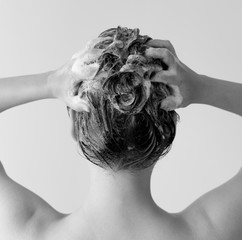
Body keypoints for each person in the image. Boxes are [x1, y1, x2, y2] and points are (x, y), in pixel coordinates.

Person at [0, 36, 241, 240]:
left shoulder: (30, 231)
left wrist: (52, 82)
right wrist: (200, 87)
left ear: (75, 124)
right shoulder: (209, 231)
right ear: (166, 131)